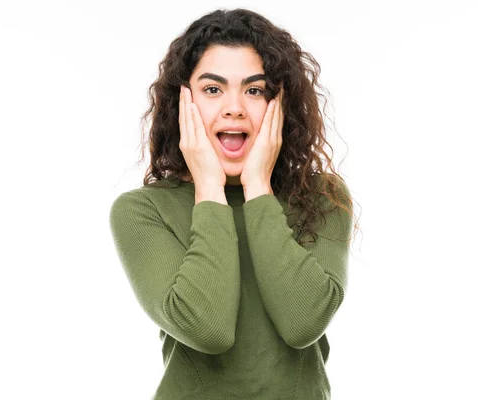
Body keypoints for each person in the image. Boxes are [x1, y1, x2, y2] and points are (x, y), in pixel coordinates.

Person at [109, 7, 359, 399]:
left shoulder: (322, 197)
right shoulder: (141, 211)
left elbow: (304, 322)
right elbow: (207, 329)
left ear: (280, 105)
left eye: (254, 90)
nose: (234, 107)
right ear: (183, 104)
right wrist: (209, 189)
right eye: (212, 89)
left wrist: (257, 185)